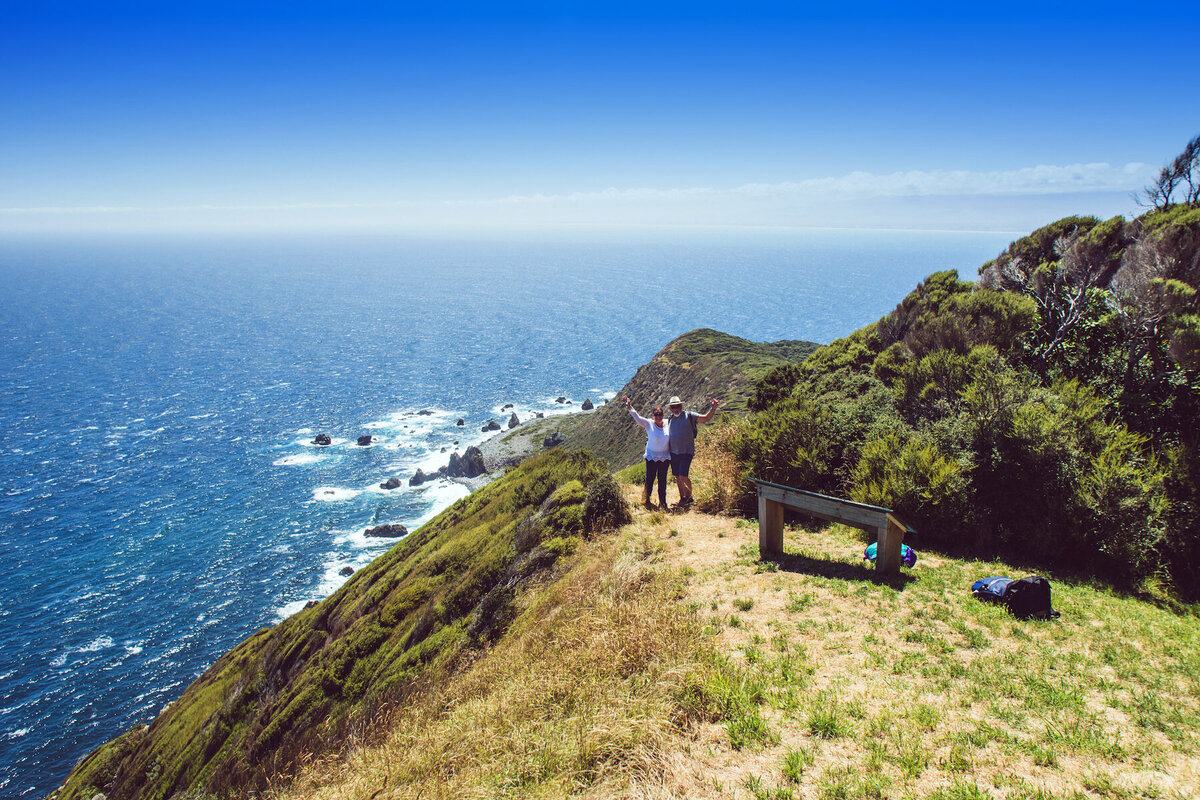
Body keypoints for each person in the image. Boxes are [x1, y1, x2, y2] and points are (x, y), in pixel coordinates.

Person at [666, 394, 719, 508]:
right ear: (670, 408)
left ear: (681, 406)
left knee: (683, 475)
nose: (676, 409)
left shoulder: (689, 416)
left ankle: (689, 498)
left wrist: (713, 408)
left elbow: (705, 418)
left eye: (677, 406)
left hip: (686, 451)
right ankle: (682, 498)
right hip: (674, 453)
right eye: (673, 407)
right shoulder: (670, 419)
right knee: (678, 476)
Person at [622, 395, 671, 508]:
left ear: (663, 415)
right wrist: (629, 406)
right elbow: (637, 417)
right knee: (650, 479)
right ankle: (645, 500)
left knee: (662, 481)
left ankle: (663, 503)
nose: (658, 416)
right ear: (652, 416)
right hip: (651, 457)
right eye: (656, 414)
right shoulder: (649, 423)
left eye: (660, 414)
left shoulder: (668, 423)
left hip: (664, 458)